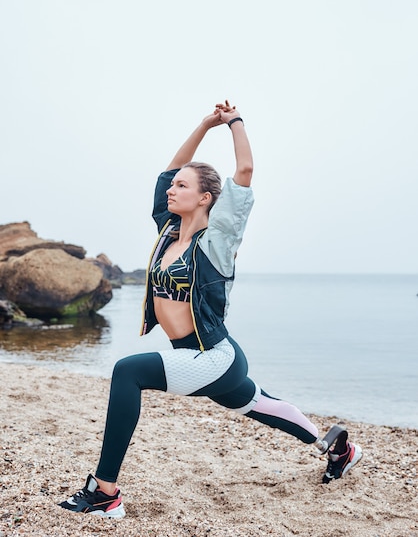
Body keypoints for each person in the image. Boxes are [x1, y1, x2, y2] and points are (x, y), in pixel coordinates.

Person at [59, 101, 362, 518]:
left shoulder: (217, 242)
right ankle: (338, 448)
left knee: (127, 371)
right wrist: (203, 124)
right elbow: (168, 171)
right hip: (196, 354)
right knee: (259, 405)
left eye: (183, 187)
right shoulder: (167, 233)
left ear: (205, 198)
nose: (172, 189)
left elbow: (245, 173)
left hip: (214, 356)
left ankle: (105, 492)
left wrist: (234, 122)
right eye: (174, 186)